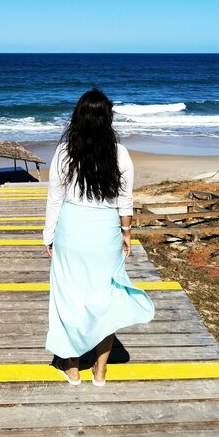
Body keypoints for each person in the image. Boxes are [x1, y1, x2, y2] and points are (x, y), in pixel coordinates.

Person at [43, 88, 155, 386]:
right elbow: (125, 199)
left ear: (77, 118)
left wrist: (48, 235)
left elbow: (55, 197)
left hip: (72, 229)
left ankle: (72, 367)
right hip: (105, 232)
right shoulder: (119, 153)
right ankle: (101, 371)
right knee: (105, 298)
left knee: (70, 297)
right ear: (108, 118)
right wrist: (127, 232)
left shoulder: (65, 152)